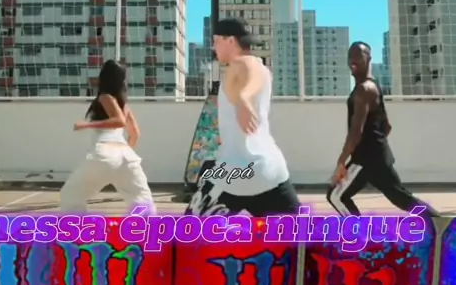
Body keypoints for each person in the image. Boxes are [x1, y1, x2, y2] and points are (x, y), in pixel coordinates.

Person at [186, 18, 299, 217]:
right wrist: (243, 98)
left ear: (229, 40)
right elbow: (253, 76)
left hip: (234, 174)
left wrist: (244, 98)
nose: (213, 46)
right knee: (298, 233)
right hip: (268, 172)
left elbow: (249, 71)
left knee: (187, 231)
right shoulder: (257, 69)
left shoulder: (243, 63)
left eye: (216, 40)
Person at [327, 41, 438, 216]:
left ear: (369, 59)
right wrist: (377, 147)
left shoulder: (364, 89)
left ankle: (357, 232)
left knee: (336, 196)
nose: (352, 60)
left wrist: (341, 162)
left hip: (365, 159)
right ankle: (440, 223)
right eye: (350, 56)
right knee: (401, 197)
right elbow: (387, 126)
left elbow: (356, 132)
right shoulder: (373, 86)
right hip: (377, 156)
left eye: (358, 55)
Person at [59, 59, 155, 213]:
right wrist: (121, 155)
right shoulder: (124, 105)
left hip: (104, 154)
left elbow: (119, 121)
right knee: (141, 198)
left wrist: (87, 125)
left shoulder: (105, 97)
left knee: (71, 194)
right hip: (126, 156)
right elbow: (135, 134)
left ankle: (76, 227)